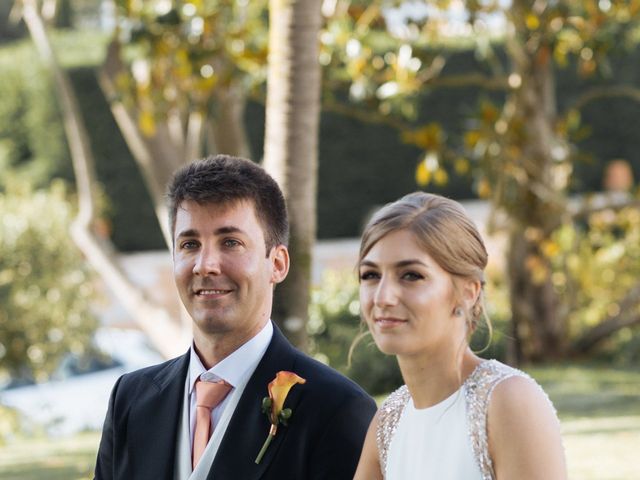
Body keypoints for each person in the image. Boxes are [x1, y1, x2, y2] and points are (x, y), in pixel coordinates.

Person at [94, 154, 377, 480]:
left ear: (278, 264)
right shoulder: (129, 401)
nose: (205, 265)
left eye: (230, 242)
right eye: (189, 244)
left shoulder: (337, 410)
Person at [353, 192, 567, 480]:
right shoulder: (388, 422)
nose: (383, 297)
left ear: (468, 291)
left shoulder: (508, 402)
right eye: (370, 275)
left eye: (411, 275)